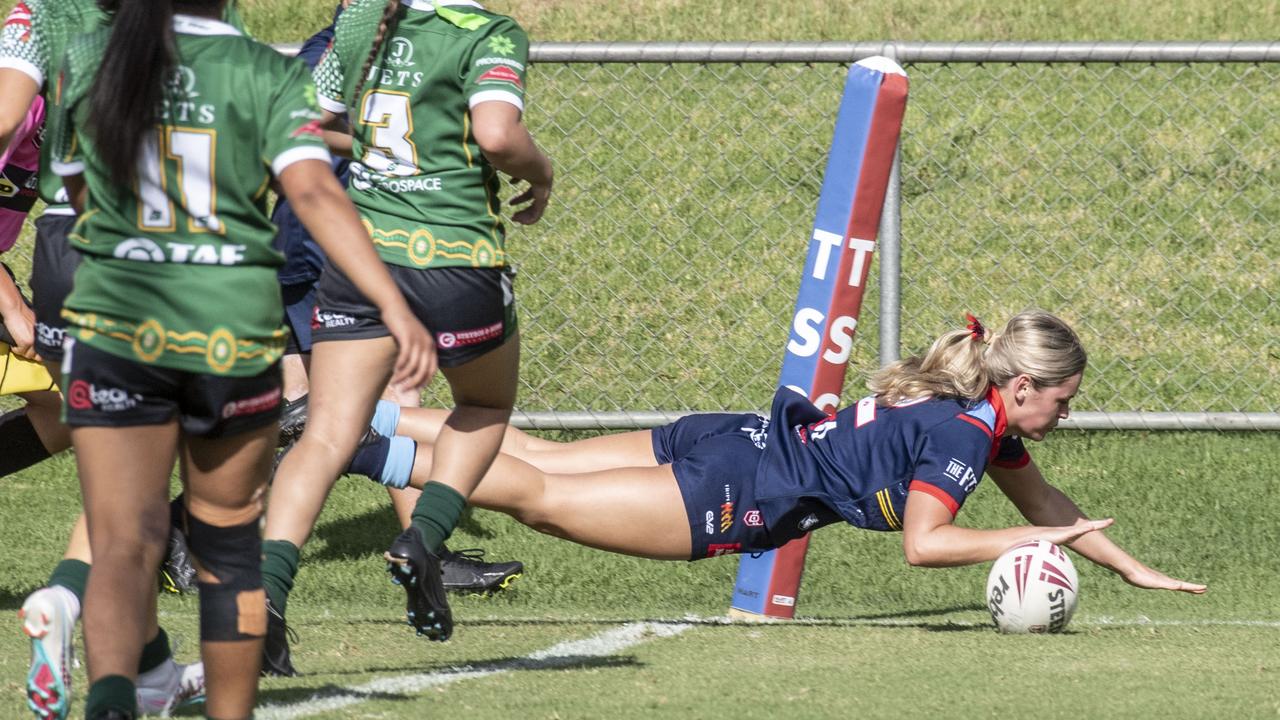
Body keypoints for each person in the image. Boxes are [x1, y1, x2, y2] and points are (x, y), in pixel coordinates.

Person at [48, 0, 434, 717]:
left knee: (121, 541)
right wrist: (394, 303)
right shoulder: (265, 71)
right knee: (228, 552)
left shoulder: (89, 57)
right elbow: (314, 190)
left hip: (117, 328)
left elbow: (79, 193)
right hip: (231, 334)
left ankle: (109, 701)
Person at [352, 312, 1207, 594]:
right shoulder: (962, 433)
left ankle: (345, 420)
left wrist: (1126, 566)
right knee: (530, 491)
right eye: (1064, 400)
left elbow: (1048, 508)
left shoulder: (974, 412)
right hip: (739, 488)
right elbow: (926, 543)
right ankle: (356, 450)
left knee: (537, 454)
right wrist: (1030, 546)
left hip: (736, 437)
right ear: (1022, 388)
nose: (1068, 414)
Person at [261, 0, 553, 657]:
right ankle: (423, 538)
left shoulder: (363, 22)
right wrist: (542, 172)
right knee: (483, 404)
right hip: (456, 257)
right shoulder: (487, 32)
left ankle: (268, 595)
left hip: (363, 261)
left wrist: (367, 146)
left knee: (329, 434)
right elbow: (499, 135)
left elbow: (310, 123)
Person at [0, 1, 221, 716]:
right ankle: (67, 599)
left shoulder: (46, 17)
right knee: (138, 466)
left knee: (101, 445)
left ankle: (150, 667)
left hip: (75, 250)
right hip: (141, 251)